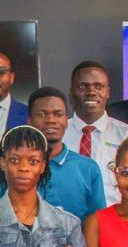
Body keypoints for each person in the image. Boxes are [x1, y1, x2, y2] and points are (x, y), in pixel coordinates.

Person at [10, 86, 105, 222]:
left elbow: (97, 222)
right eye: (42, 114)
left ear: (66, 120)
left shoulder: (87, 168)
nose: (51, 120)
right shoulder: (13, 167)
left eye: (58, 114)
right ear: (29, 121)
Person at [63, 61, 128, 206]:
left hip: (114, 222)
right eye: (83, 86)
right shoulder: (58, 135)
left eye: (99, 86)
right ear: (71, 92)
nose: (91, 92)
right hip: (65, 222)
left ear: (108, 92)